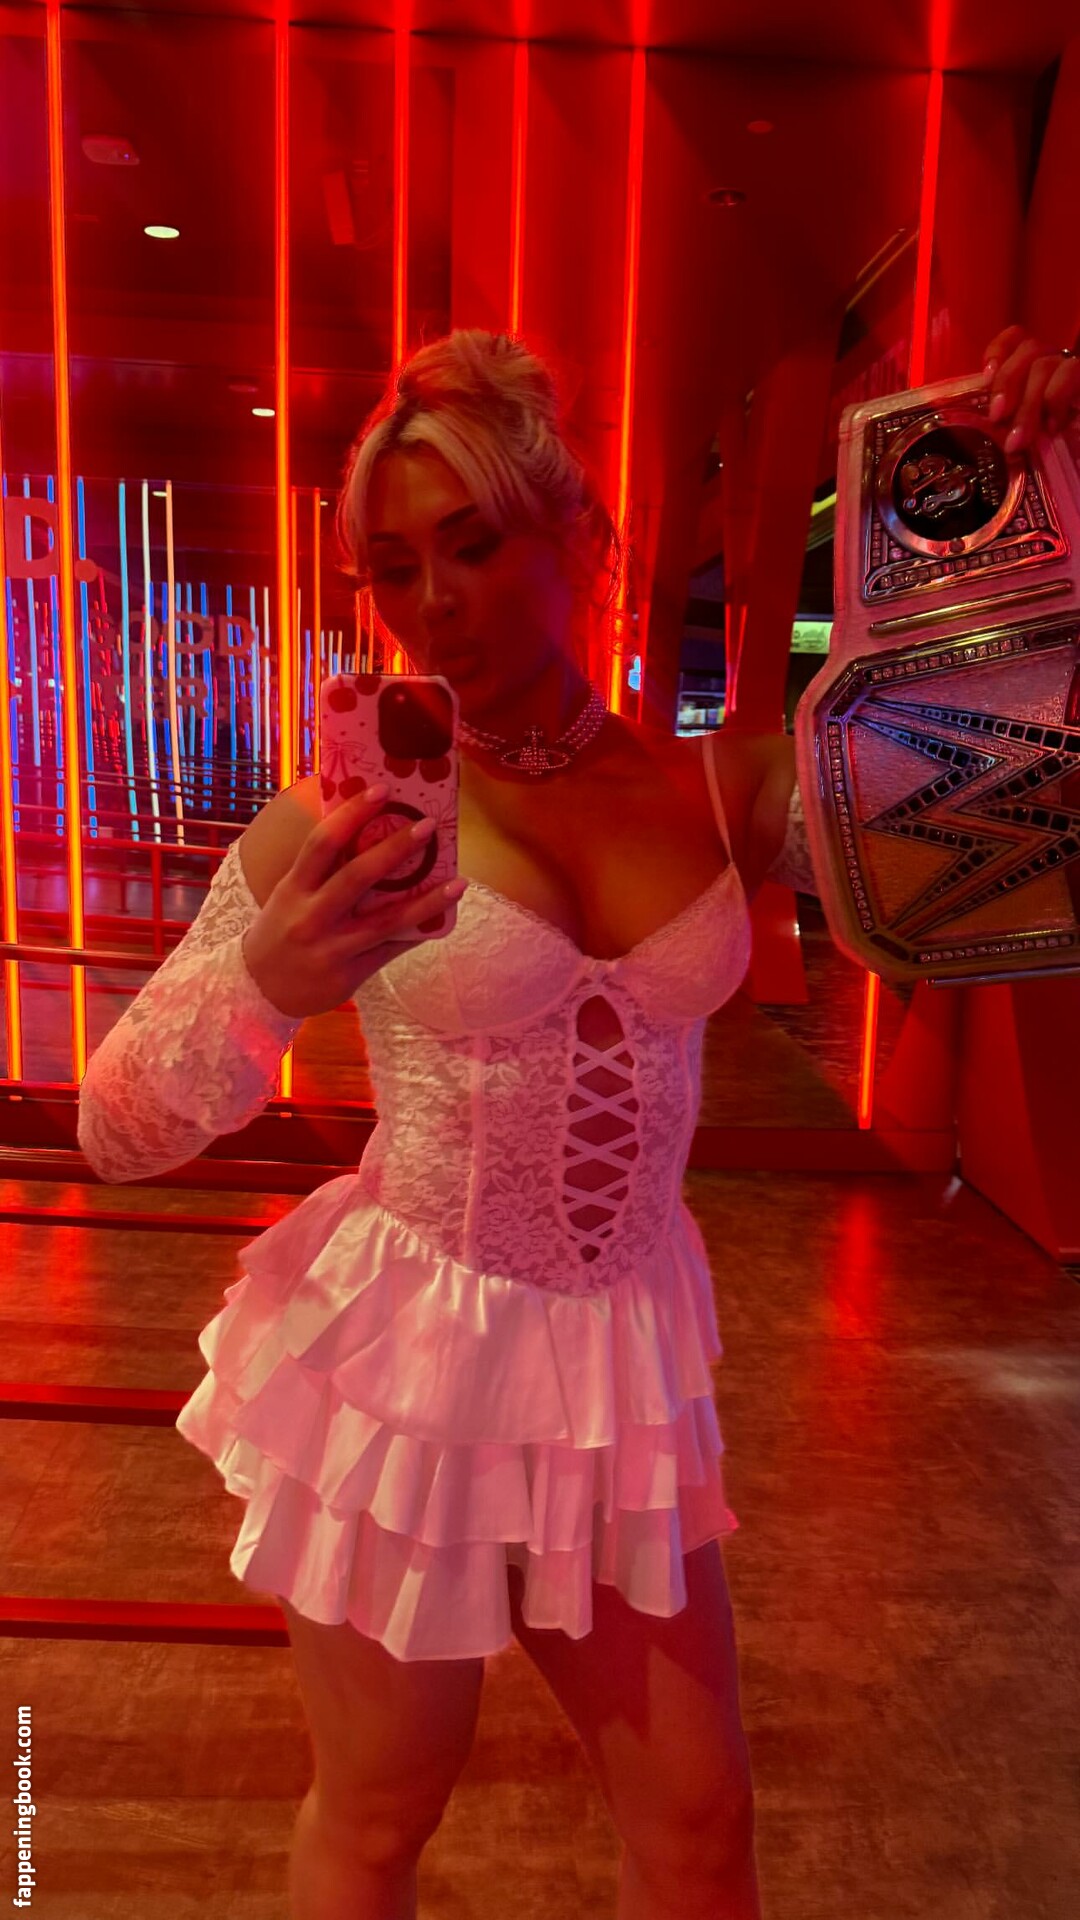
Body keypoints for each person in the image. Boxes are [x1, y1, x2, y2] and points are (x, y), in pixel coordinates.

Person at [77, 323, 1077, 1920]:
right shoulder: (341, 817)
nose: (434, 601)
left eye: (474, 544)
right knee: (379, 1812)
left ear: (580, 535)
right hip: (403, 1370)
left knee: (702, 1825)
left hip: (617, 1375)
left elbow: (1029, 786)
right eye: (394, 569)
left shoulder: (724, 791)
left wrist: (1037, 491)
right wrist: (267, 985)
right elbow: (114, 1126)